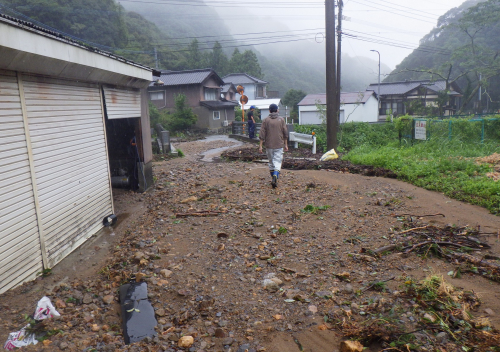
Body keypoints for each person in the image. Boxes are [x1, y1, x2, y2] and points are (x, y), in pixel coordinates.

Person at [259, 103, 288, 188]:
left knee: (271, 162)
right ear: (277, 110)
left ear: (269, 111)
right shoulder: (281, 120)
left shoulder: (265, 120)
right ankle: (275, 176)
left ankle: (273, 178)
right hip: (279, 144)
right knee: (278, 161)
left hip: (269, 145)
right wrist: (286, 144)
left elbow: (262, 134)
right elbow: (285, 133)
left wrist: (260, 146)